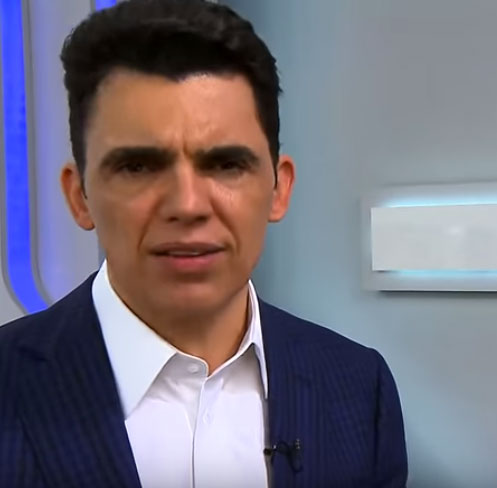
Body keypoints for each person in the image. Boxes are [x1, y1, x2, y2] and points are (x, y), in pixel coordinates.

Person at [0, 1, 408, 486]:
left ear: (278, 189)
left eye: (225, 164)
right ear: (79, 196)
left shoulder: (359, 388)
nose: (188, 205)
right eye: (138, 167)